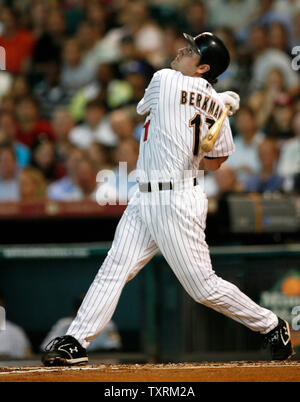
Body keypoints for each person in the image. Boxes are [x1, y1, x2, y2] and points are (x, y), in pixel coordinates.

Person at [42, 32, 294, 366]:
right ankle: (76, 340)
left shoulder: (164, 79)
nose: (180, 50)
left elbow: (150, 112)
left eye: (190, 51)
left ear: (203, 66)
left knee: (202, 288)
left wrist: (215, 107)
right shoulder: (208, 100)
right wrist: (217, 107)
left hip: (176, 199)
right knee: (115, 267)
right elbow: (216, 161)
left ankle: (272, 326)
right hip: (148, 195)